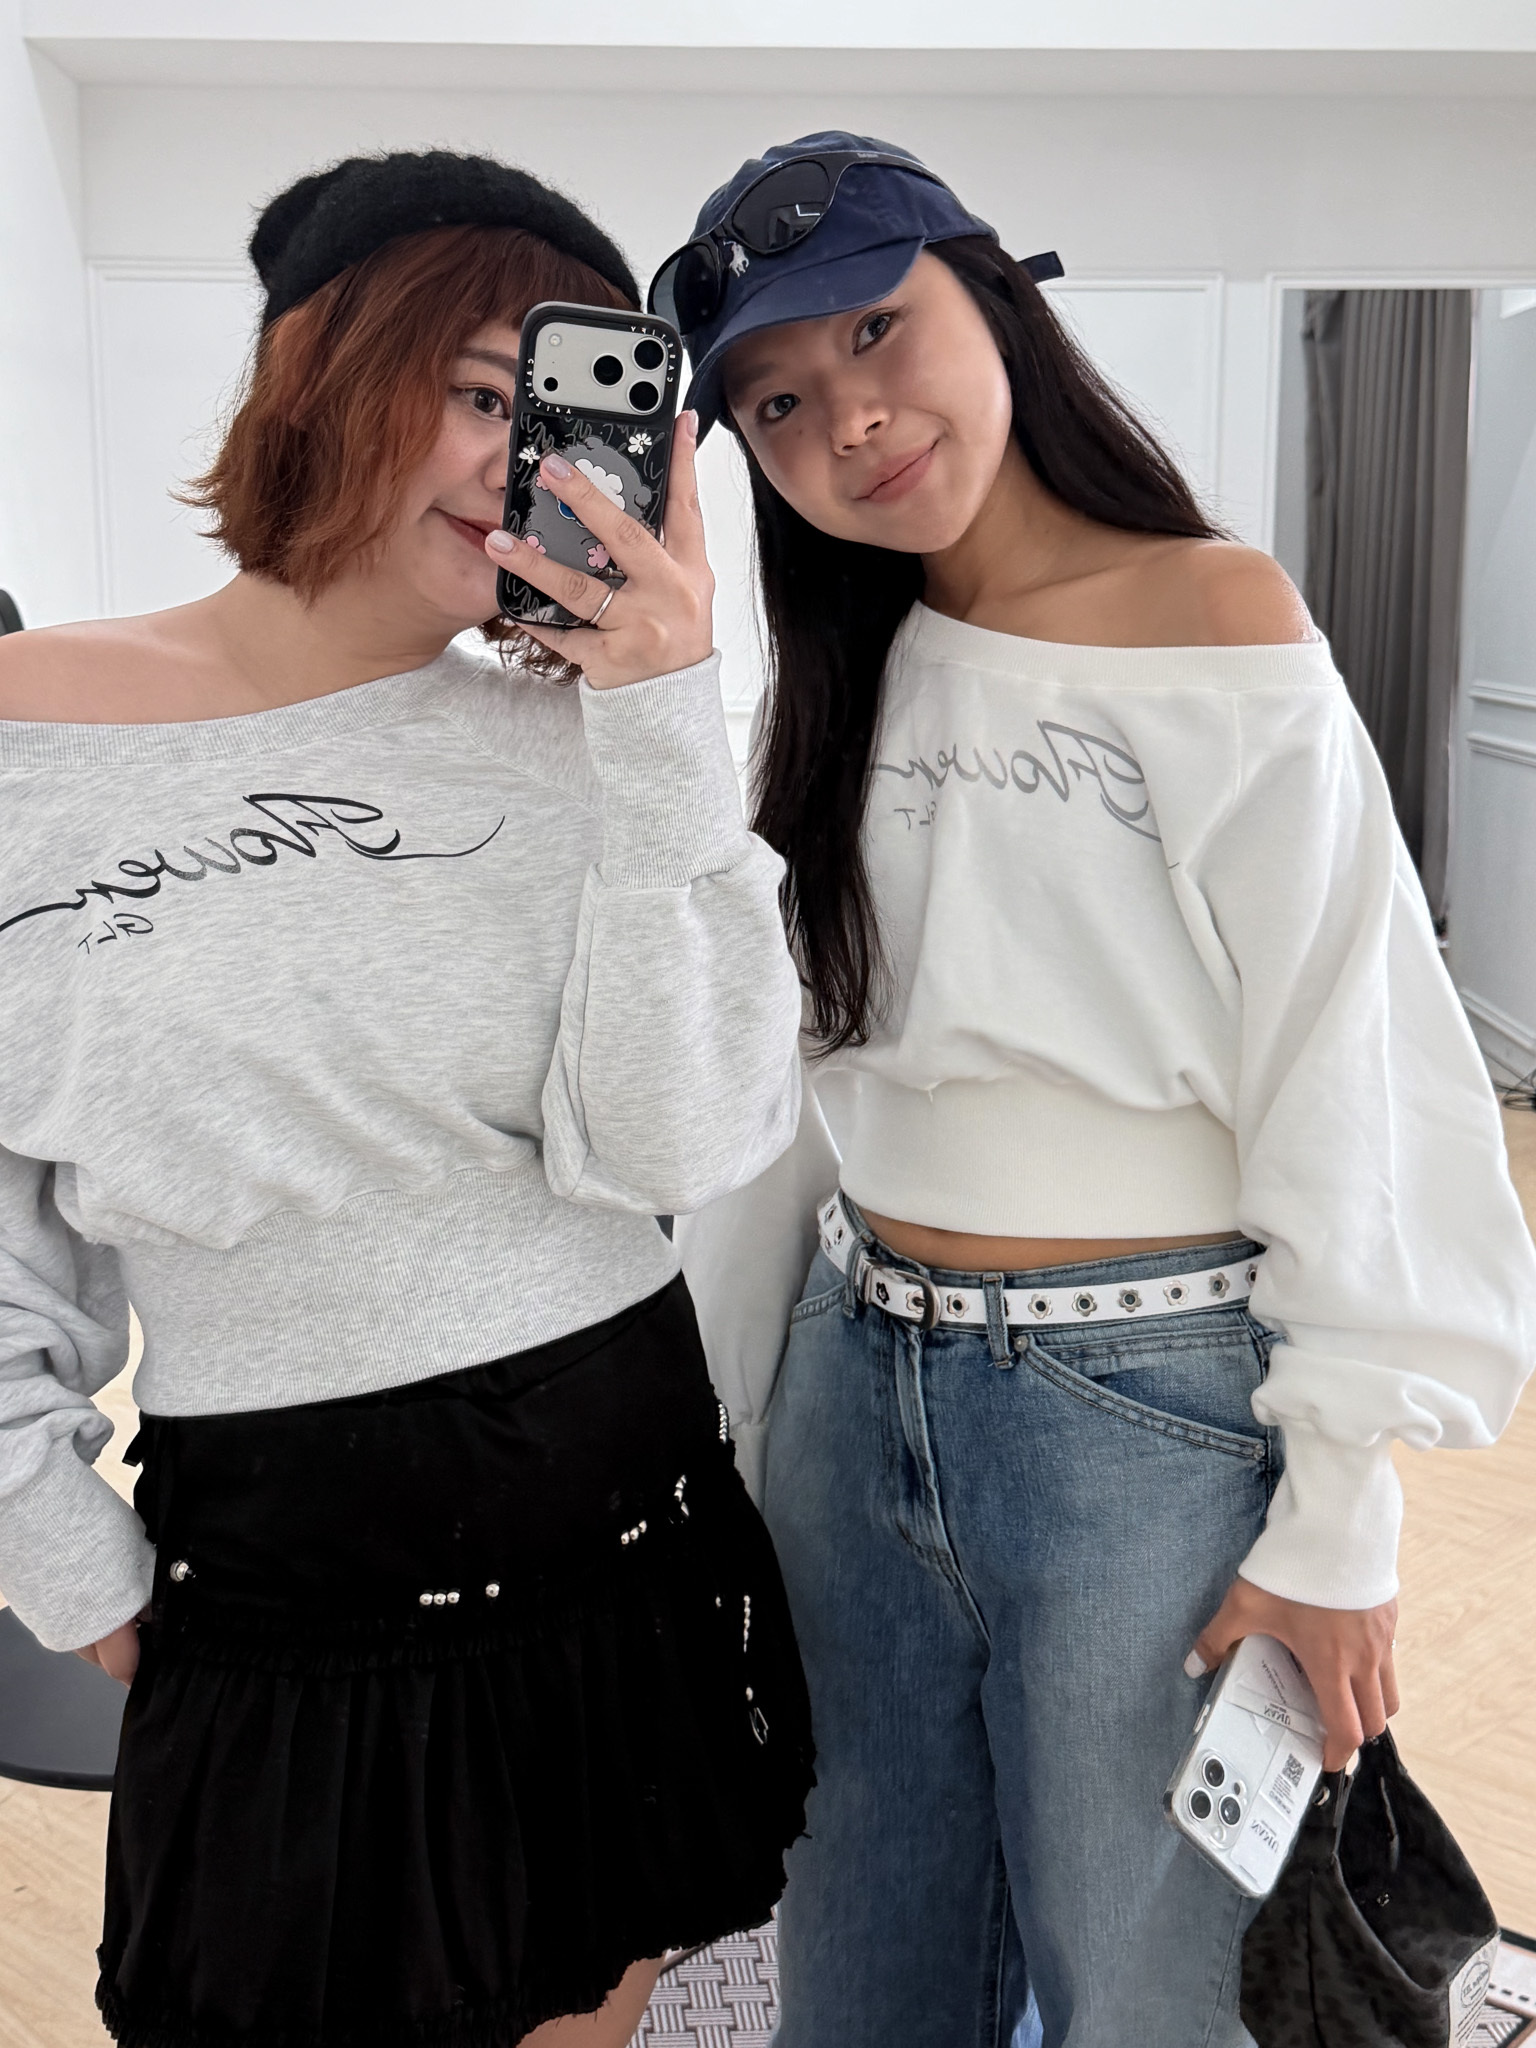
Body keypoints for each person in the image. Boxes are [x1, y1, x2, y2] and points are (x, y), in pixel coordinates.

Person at [661, 133, 1536, 2046]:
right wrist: (727, 1419)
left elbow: (1352, 1068)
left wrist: (1343, 1514)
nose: (848, 418)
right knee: (859, 1977)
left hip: (1139, 1417)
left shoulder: (1211, 616)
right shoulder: (840, 673)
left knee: (1157, 1996)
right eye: (777, 402)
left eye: (876, 327)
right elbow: (791, 1092)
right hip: (851, 1387)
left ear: (997, 296)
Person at [0, 150, 813, 2048]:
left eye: (571, 413)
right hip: (275, 1592)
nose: (521, 460)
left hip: (625, 1546)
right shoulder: (26, 737)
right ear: (316, 372)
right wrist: (65, 1560)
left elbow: (687, 1145)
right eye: (473, 390)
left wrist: (667, 714)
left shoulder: (600, 747)